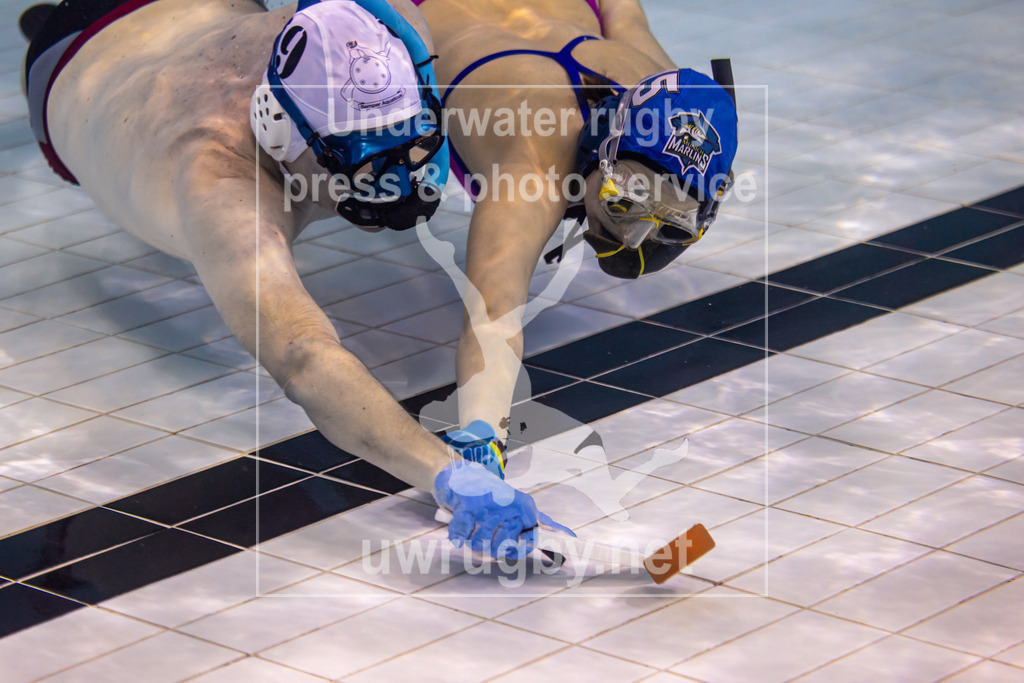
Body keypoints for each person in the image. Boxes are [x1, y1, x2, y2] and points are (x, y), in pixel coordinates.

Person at [20, 0, 555, 558]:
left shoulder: (379, 30)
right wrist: (448, 476)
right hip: (72, 55)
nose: (399, 181)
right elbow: (303, 357)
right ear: (282, 135)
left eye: (410, 140)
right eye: (364, 165)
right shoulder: (218, 178)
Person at [412, 0, 739, 458]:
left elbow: (623, 14)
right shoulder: (533, 172)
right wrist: (484, 439)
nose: (635, 237)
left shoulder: (665, 87)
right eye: (623, 203)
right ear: (599, 150)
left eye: (673, 226)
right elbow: (492, 321)